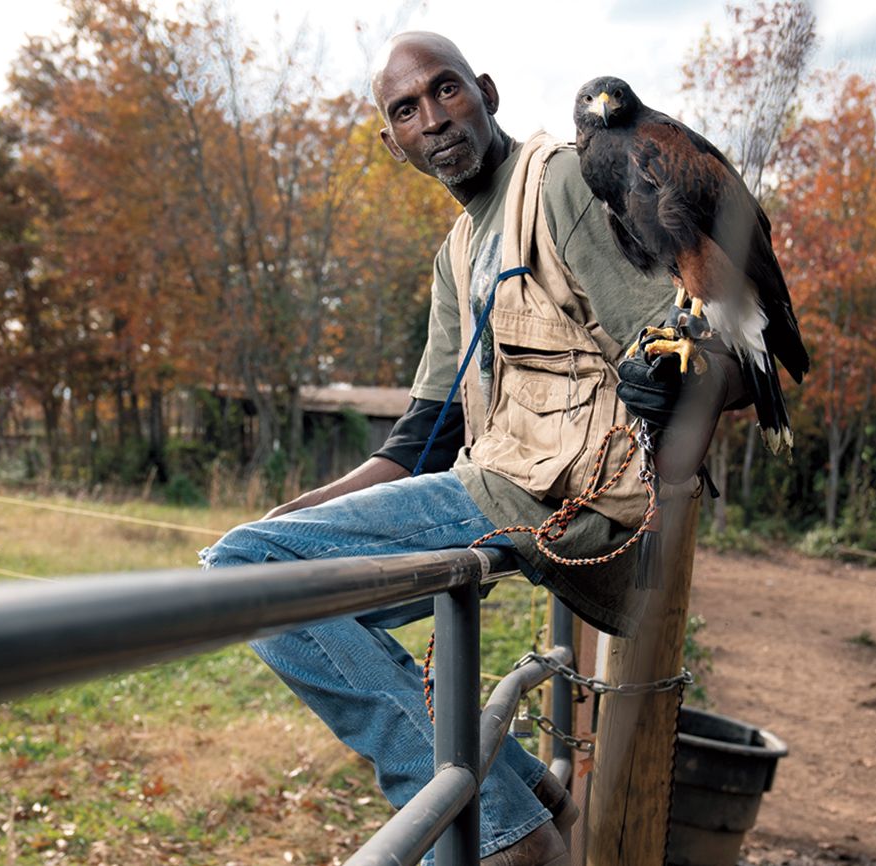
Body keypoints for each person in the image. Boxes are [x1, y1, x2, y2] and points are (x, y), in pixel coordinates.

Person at [200, 31, 743, 866]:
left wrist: (669, 391)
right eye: (407, 110)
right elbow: (424, 436)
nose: (434, 118)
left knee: (245, 577)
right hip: (495, 483)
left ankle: (504, 830)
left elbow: (674, 342)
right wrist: (298, 513)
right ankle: (525, 786)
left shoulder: (556, 179)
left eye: (445, 90)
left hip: (566, 495)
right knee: (263, 564)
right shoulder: (455, 253)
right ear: (393, 142)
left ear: (484, 90)